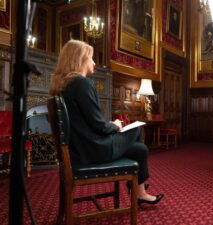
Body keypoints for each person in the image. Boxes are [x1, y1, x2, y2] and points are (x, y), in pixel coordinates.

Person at [49, 40, 164, 207]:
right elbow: (99, 126)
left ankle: (140, 192)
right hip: (93, 150)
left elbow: (86, 122)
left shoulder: (64, 86)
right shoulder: (81, 83)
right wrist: (115, 125)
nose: (94, 62)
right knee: (137, 129)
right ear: (79, 59)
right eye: (91, 58)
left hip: (79, 149)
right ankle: (137, 188)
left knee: (141, 150)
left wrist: (109, 125)